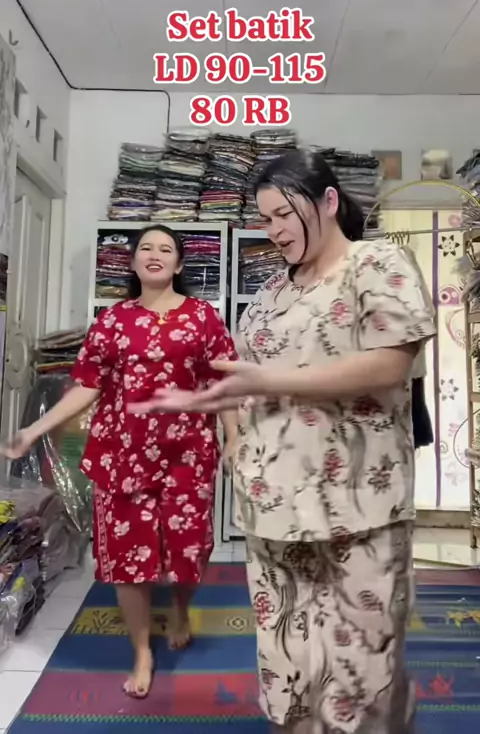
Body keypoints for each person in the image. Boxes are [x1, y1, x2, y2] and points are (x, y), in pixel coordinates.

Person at [130, 151, 436, 734]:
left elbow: (389, 365)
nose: (273, 230)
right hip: (271, 505)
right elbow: (245, 376)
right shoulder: (272, 290)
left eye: (284, 215)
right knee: (287, 659)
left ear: (328, 201)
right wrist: (217, 409)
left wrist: (269, 381)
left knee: (361, 666)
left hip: (356, 508)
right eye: (265, 219)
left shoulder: (377, 263)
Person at [1, 224, 238, 699]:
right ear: (132, 262)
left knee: (189, 551)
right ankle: (141, 650)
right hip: (122, 457)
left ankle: (181, 609)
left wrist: (234, 436)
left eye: (165, 248)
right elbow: (87, 385)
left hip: (187, 454)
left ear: (179, 264)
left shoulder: (203, 317)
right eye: (145, 247)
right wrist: (35, 429)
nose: (155, 254)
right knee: (129, 559)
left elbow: (223, 379)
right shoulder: (111, 321)